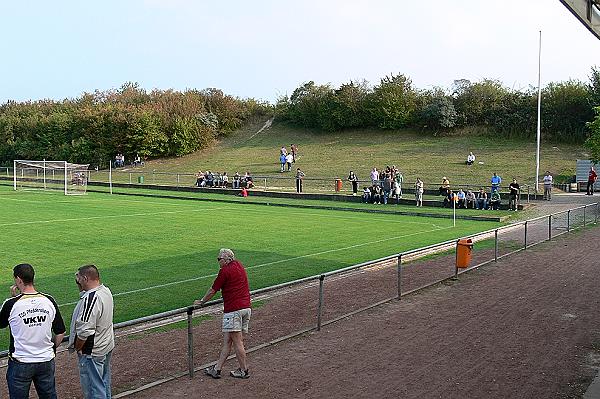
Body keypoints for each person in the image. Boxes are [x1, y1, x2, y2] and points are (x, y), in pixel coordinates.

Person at [0, 263, 66, 399]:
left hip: (21, 362)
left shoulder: (11, 304)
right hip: (46, 360)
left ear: (18, 279)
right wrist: (51, 349)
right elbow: (60, 332)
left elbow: (1, 324)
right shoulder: (49, 300)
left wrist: (13, 297)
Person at [195, 249, 252, 379]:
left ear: (226, 259)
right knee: (228, 340)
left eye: (219, 259)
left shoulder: (224, 271)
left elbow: (212, 290)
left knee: (237, 342)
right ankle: (217, 369)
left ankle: (244, 370)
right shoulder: (239, 265)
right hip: (245, 308)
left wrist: (202, 302)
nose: (218, 261)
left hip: (233, 310)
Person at [69, 265, 114, 399]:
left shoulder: (91, 299)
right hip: (106, 345)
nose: (78, 282)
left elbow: (84, 331)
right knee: (103, 383)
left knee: (94, 389)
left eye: (79, 279)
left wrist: (78, 348)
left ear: (85, 278)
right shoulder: (106, 291)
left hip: (92, 351)